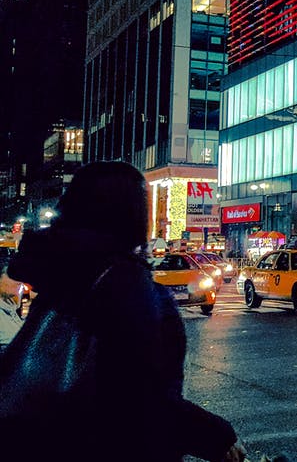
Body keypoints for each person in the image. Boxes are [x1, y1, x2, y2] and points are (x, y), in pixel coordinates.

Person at [0, 161, 246, 461]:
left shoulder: (61, 278)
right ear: (132, 214)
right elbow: (136, 401)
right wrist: (214, 435)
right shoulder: (124, 284)